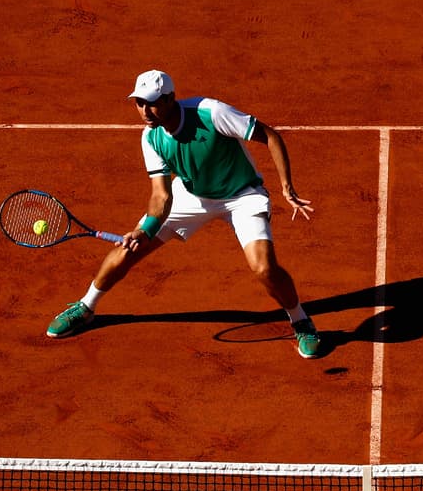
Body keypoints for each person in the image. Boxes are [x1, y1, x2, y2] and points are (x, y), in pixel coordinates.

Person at [45, 69, 323, 359]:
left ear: (169, 99)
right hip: (191, 196)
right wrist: (145, 231)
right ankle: (86, 307)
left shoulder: (211, 112)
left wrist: (286, 187)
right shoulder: (151, 138)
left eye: (151, 102)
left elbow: (270, 136)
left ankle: (301, 320)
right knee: (129, 250)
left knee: (264, 268)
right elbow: (161, 195)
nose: (144, 110)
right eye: (139, 103)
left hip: (242, 195)